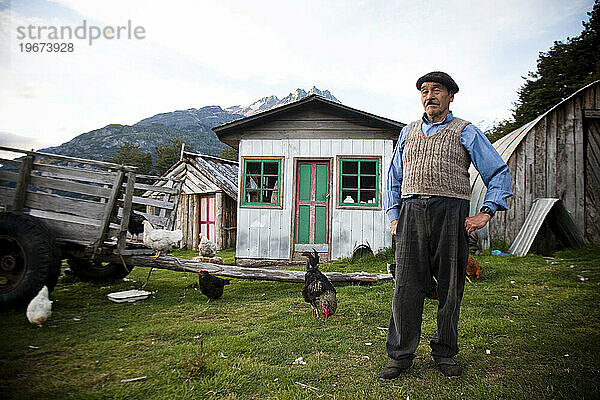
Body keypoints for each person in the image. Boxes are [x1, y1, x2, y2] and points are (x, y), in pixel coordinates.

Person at [379, 71, 513, 380]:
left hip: (452, 211)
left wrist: (487, 212)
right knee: (405, 287)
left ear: (450, 96)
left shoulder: (465, 131)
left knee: (451, 288)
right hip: (412, 212)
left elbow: (498, 172)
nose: (430, 96)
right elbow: (393, 178)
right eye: (424, 91)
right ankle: (400, 355)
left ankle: (444, 351)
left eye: (437, 90)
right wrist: (393, 215)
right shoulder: (407, 132)